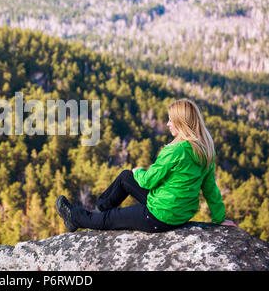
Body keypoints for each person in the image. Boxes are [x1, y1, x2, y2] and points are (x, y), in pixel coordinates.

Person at [56, 98, 237, 233]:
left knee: (112, 218)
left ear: (182, 124)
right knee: (126, 177)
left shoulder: (175, 151)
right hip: (179, 213)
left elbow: (148, 182)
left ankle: (76, 217)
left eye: (170, 121)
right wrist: (219, 218)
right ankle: (98, 210)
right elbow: (210, 188)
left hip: (159, 217)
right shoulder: (204, 151)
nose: (167, 124)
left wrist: (140, 171)